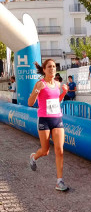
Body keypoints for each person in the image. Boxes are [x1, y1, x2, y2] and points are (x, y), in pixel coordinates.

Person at [28, 59, 69, 192]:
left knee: (60, 150)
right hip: (44, 119)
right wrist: (36, 91)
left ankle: (59, 181)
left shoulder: (58, 84)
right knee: (45, 151)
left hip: (57, 119)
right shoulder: (40, 83)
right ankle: (34, 157)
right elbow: (30, 103)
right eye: (49, 67)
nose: (52, 69)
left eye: (53, 66)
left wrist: (63, 93)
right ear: (44, 70)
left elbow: (56, 100)